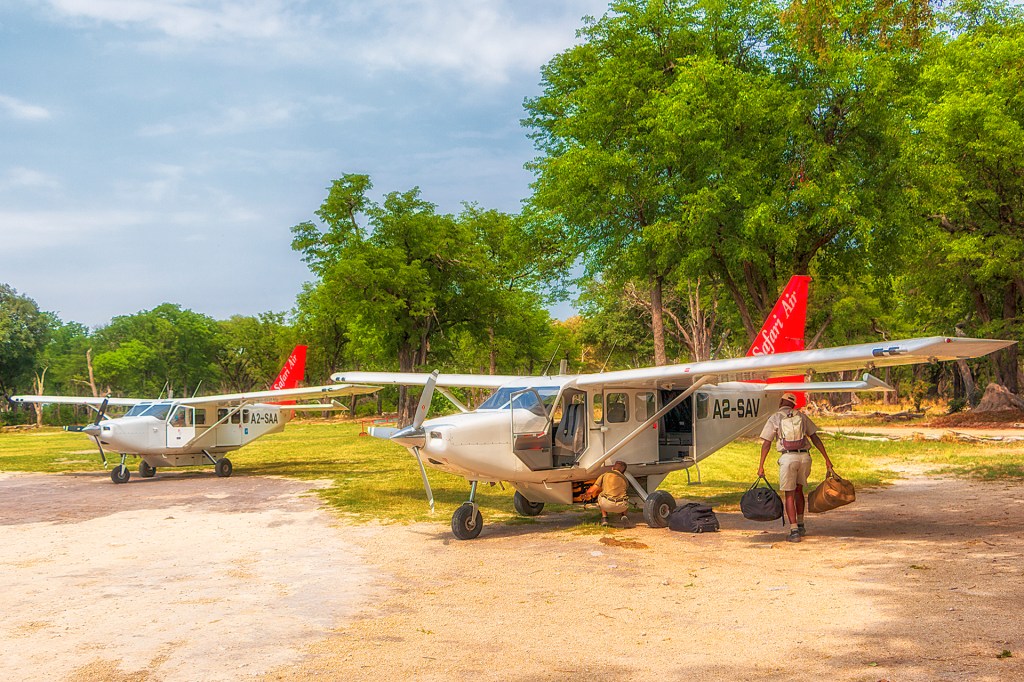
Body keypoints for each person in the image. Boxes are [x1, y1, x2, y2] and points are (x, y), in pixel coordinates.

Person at [757, 393, 833, 543]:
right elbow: (815, 438)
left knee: (789, 494)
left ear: (781, 402)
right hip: (804, 458)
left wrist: (761, 466)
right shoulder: (802, 416)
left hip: (788, 458)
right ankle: (801, 524)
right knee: (799, 490)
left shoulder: (775, 417)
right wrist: (827, 460)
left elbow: (767, 443)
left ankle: (794, 531)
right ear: (793, 404)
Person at [586, 461, 631, 527]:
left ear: (612, 468)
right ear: (623, 472)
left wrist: (585, 495)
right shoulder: (625, 480)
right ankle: (624, 515)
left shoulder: (605, 475)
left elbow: (592, 490)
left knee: (601, 494)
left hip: (607, 505)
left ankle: (604, 518)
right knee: (625, 497)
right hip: (622, 506)